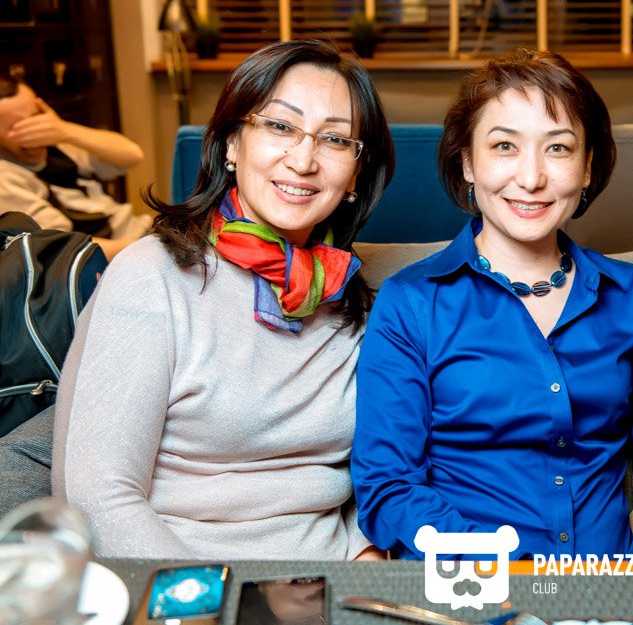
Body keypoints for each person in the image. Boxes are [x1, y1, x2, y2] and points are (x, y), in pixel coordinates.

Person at [51, 39, 396, 560]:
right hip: (180, 578)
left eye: (334, 139)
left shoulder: (355, 293)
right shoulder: (152, 277)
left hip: (327, 583)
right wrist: (205, 596)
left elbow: (377, 474)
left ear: (356, 172)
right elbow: (96, 497)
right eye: (280, 126)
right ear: (232, 143)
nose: (303, 160)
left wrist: (364, 553)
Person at [352, 48, 633, 560]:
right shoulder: (411, 302)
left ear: (587, 167)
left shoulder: (631, 295)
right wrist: (509, 577)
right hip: (470, 587)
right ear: (467, 163)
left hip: (609, 587)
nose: (532, 178)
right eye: (504, 146)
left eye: (558, 148)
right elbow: (389, 487)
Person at [0, 77, 151, 259]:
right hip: (117, 254)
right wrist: (145, 248)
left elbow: (131, 156)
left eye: (35, 117)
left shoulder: (55, 141)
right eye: (17, 127)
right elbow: (63, 248)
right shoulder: (6, 180)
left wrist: (64, 129)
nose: (34, 131)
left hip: (138, 233)